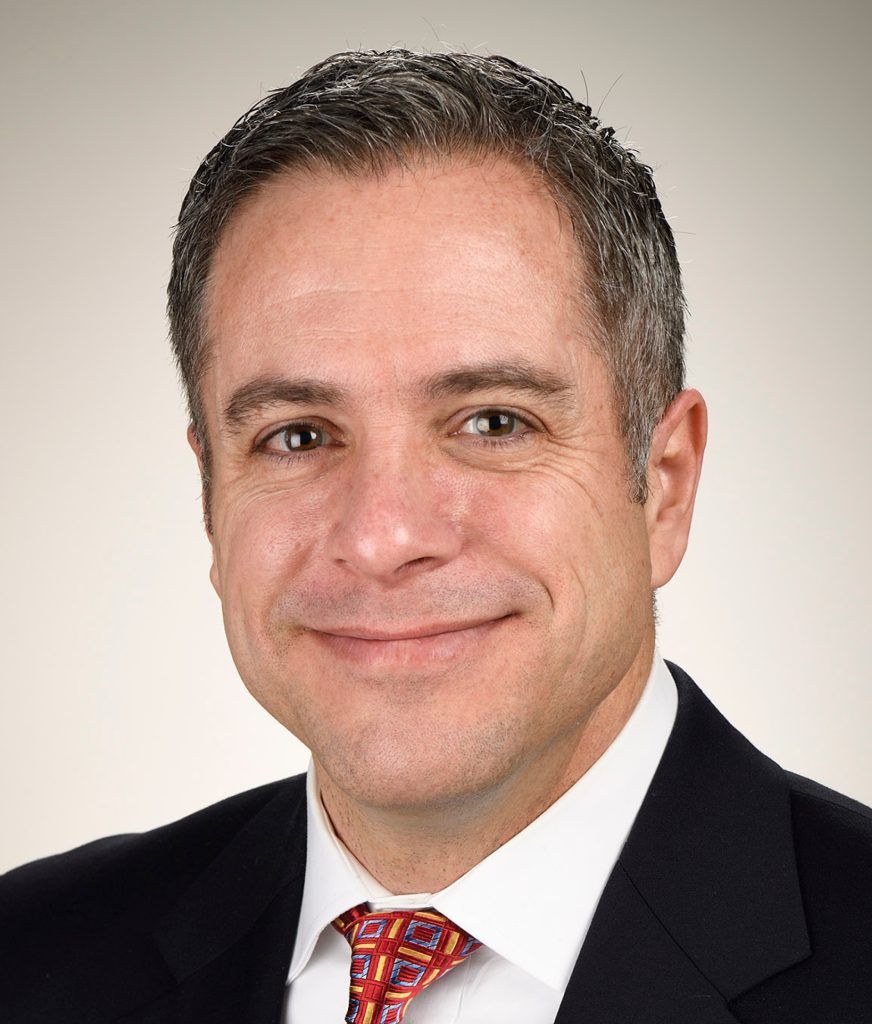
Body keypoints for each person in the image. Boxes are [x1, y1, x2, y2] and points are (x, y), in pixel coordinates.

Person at [2, 48, 871, 1024]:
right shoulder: (29, 954)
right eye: (296, 435)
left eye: (492, 422)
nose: (383, 535)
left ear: (662, 487)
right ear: (211, 498)